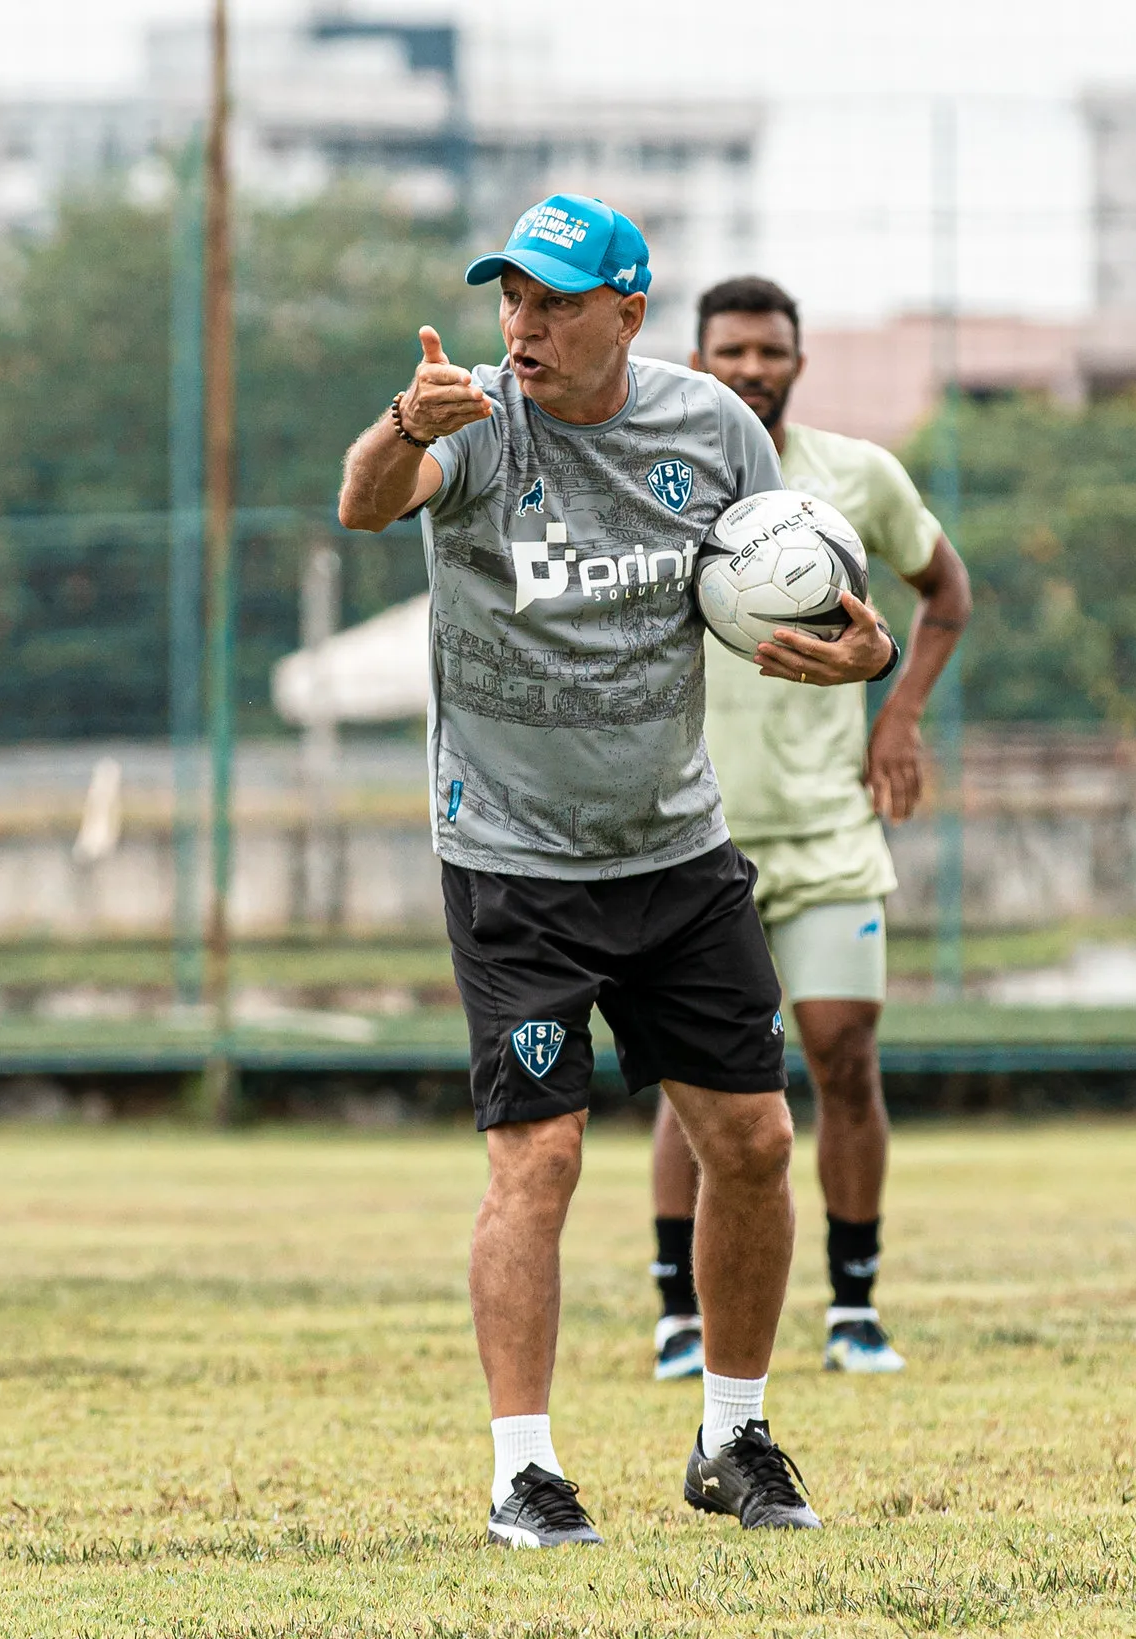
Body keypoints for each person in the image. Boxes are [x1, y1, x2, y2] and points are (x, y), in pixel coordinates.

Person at [336, 200, 900, 1548]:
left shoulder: (714, 428)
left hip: (675, 847)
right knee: (540, 1157)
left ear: (627, 314)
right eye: (509, 300)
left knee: (757, 1141)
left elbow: (801, 581)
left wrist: (862, 648)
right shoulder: (468, 416)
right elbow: (363, 504)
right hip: (514, 860)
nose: (521, 327)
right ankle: (522, 1469)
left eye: (554, 302)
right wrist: (404, 425)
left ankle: (735, 1431)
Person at [649, 276, 972, 1382]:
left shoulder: (855, 477)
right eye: (730, 350)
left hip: (829, 824)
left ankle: (853, 1306)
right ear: (696, 360)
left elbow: (946, 594)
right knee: (698, 1081)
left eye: (769, 350)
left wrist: (900, 717)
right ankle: (675, 1317)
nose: (750, 368)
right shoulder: (658, 479)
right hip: (691, 828)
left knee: (841, 1052)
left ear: (796, 360)